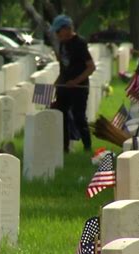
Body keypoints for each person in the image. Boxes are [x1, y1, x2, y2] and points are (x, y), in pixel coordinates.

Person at [50, 14, 95, 153]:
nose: (57, 34)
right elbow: (64, 67)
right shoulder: (62, 43)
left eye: (59, 31)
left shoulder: (79, 43)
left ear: (67, 28)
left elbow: (91, 66)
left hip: (79, 88)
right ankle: (64, 148)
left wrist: (75, 81)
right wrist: (57, 82)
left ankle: (87, 146)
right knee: (61, 116)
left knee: (78, 116)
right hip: (64, 87)